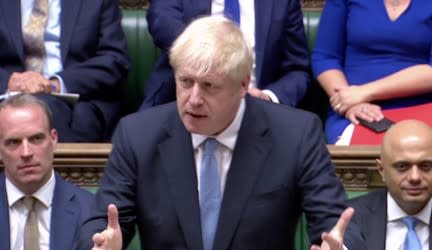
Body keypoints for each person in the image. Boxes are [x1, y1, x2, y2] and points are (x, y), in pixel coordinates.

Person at [77, 16, 364, 250]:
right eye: (185, 81)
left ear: (243, 85)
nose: (193, 98)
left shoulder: (295, 134)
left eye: (209, 86)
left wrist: (339, 247)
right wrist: (101, 243)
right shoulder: (137, 135)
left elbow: (337, 227)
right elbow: (103, 223)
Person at [312, 0, 432, 145]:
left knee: (422, 151)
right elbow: (325, 57)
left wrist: (364, 92)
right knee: (363, 154)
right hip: (355, 109)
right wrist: (348, 102)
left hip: (427, 106)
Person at [140, 0, 310, 109]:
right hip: (182, 103)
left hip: (257, 109)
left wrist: (267, 98)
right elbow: (161, 23)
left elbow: (297, 69)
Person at [0, 0, 130, 142]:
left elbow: (115, 60)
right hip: (7, 95)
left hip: (79, 99)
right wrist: (11, 82)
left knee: (51, 111)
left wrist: (55, 84)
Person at [0, 94, 93, 249]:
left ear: (54, 139)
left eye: (36, 139)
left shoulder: (89, 210)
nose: (26, 152)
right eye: (13, 142)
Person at [348, 120, 432, 250]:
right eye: (402, 166)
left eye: (425, 166)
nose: (415, 177)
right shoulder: (349, 218)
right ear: (382, 170)